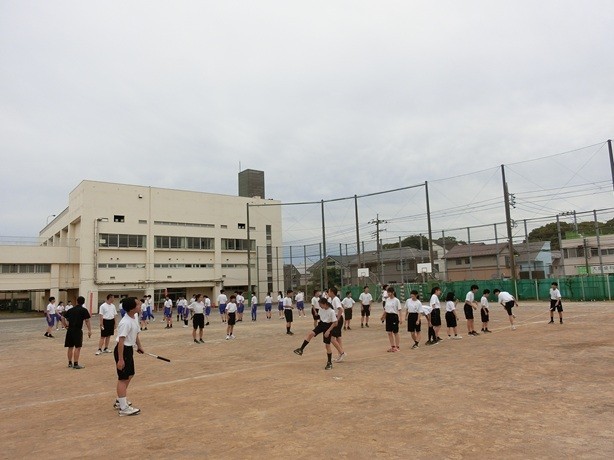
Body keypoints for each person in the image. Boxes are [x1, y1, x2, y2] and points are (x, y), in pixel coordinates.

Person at [113, 297, 144, 416]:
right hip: (123, 350)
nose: (140, 305)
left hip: (129, 349)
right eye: (138, 304)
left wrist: (139, 346)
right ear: (131, 309)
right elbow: (121, 341)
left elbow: (135, 334)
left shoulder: (134, 317)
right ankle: (124, 408)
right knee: (123, 378)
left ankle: (119, 400)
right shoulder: (125, 322)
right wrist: (120, 359)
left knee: (130, 375)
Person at [294, 297, 339, 370]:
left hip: (328, 326)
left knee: (327, 345)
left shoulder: (331, 311)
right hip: (321, 324)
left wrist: (328, 331)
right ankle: (301, 349)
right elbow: (320, 318)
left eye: (320, 304)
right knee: (310, 334)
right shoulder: (321, 309)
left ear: (325, 304)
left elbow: (335, 323)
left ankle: (329, 362)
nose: (319, 306)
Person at [62, 295, 92, 369]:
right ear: (83, 302)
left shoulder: (71, 310)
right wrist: (89, 330)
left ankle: (70, 363)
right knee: (78, 347)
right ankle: (76, 363)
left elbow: (62, 317)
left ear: (77, 301)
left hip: (70, 330)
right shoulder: (84, 310)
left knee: (70, 347)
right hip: (77, 330)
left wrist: (65, 326)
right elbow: (87, 321)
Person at [381, 286, 402, 352]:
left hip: (394, 316)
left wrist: (400, 318)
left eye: (390, 292)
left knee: (395, 332)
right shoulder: (387, 300)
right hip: (388, 316)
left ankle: (397, 346)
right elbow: (386, 309)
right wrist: (383, 316)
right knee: (389, 332)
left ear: (393, 292)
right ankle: (392, 346)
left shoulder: (396, 300)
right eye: (388, 292)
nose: (388, 294)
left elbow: (399, 310)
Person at [329, 287, 346, 362]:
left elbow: (341, 309)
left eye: (329, 291)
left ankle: (342, 353)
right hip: (337, 318)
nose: (328, 293)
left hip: (338, 318)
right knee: (338, 337)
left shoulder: (335, 299)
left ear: (332, 292)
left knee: (332, 338)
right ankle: (340, 354)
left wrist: (337, 319)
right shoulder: (333, 299)